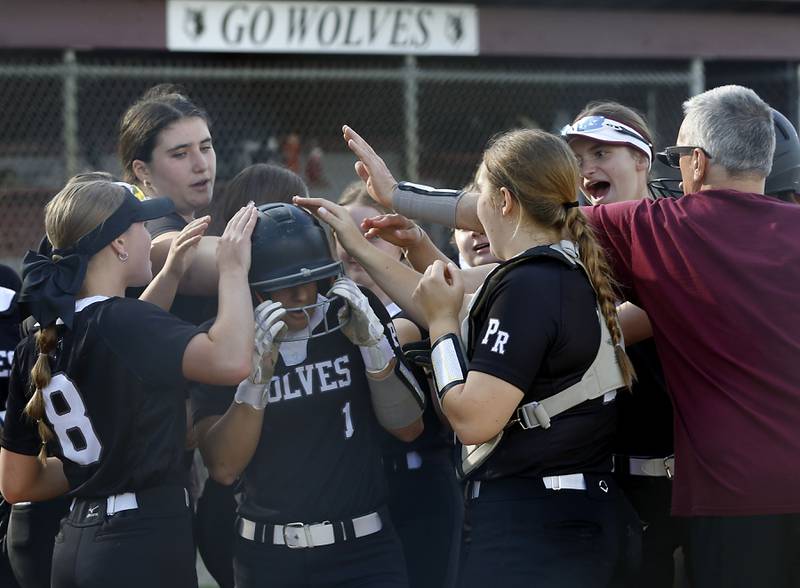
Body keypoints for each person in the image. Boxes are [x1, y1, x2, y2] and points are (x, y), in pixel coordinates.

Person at [342, 85, 800, 588]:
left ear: (695, 163)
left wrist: (397, 195)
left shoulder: (664, 227)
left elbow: (520, 217)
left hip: (731, 497)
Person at [296, 128, 638, 587]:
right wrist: (373, 249)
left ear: (503, 201)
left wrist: (438, 325)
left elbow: (473, 419)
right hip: (563, 516)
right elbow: (450, 302)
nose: (473, 209)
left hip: (540, 525)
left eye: (478, 196)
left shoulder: (532, 282)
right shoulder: (554, 266)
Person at [0, 178, 258, 588]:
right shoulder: (125, 323)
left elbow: (17, 484)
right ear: (119, 244)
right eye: (140, 226)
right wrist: (233, 269)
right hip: (140, 544)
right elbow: (231, 360)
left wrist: (170, 273)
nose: (147, 236)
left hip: (73, 543)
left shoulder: (39, 341)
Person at [193, 203, 426, 588]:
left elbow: (408, 427)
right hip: (269, 555)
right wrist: (255, 378)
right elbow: (223, 466)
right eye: (285, 283)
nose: (303, 293)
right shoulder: (223, 341)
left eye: (314, 278)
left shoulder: (350, 315)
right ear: (253, 283)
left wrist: (374, 346)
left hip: (363, 550)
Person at [562, 101, 681, 587]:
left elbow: (636, 319)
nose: (587, 167)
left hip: (692, 483)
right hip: (613, 484)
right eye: (577, 157)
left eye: (601, 151)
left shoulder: (680, 227)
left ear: (641, 159)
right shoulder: (576, 240)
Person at [338, 182, 462, 588]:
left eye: (369, 234)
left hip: (422, 484)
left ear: (396, 244)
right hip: (361, 491)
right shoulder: (332, 317)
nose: (353, 245)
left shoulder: (429, 311)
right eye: (344, 235)